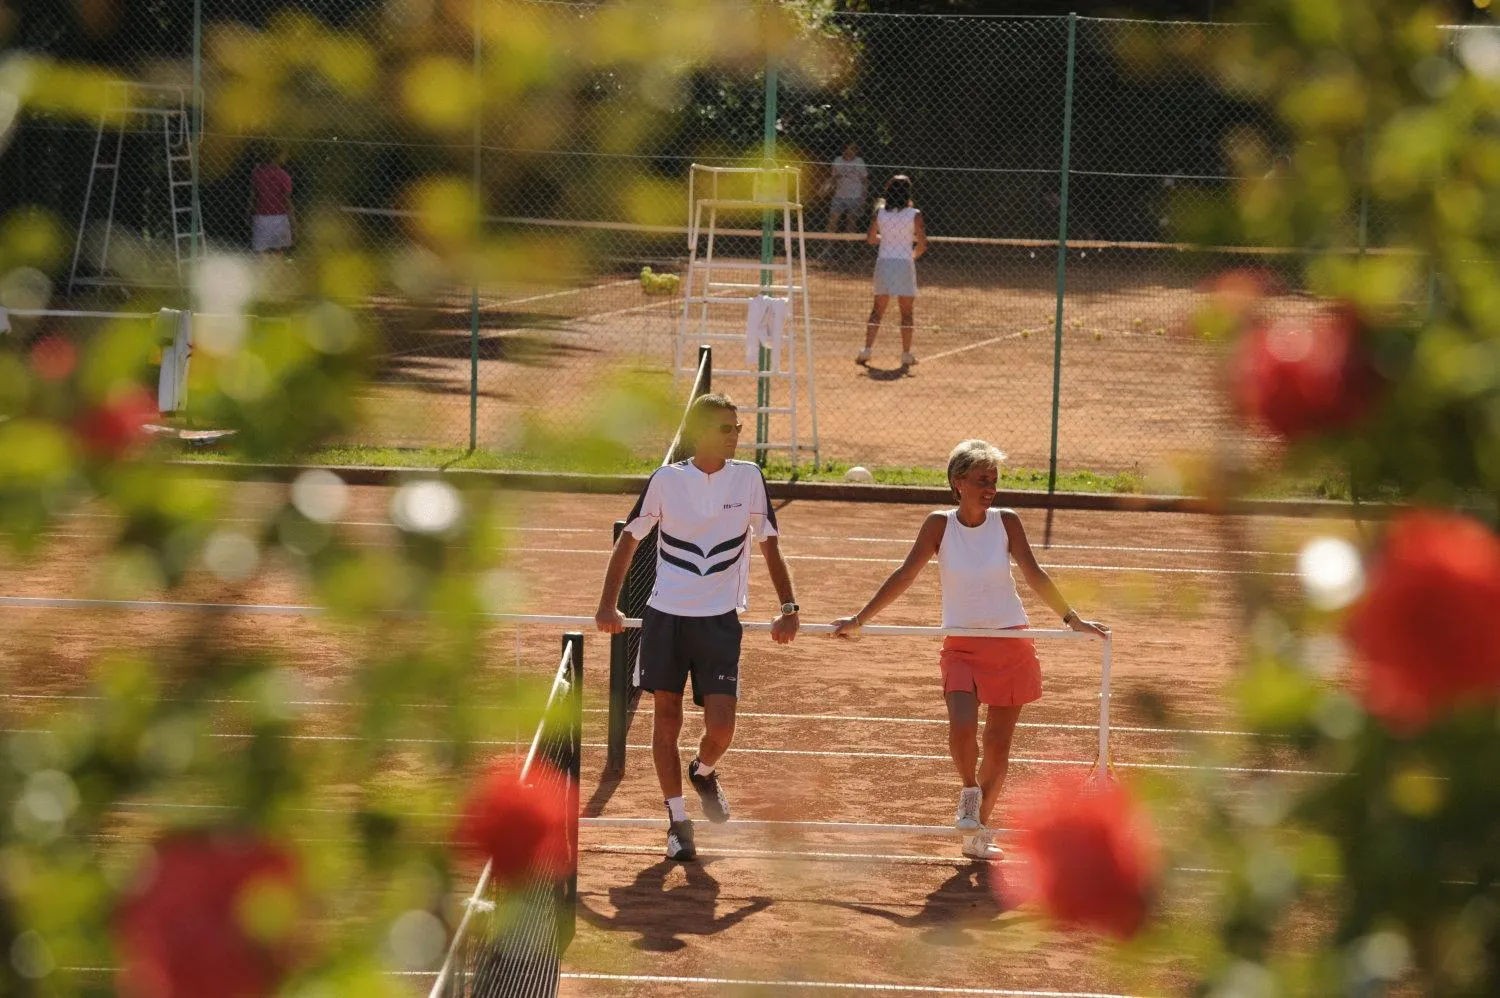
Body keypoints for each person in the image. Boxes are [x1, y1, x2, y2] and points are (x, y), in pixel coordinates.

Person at [830, 439, 1108, 860]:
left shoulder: (1007, 522)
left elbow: (1034, 574)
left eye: (994, 479)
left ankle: (979, 834)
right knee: (962, 729)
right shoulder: (939, 525)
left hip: (1010, 639)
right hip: (960, 644)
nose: (990, 487)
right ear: (958, 482)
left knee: (998, 745)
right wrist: (860, 619)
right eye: (982, 479)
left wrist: (1073, 619)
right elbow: (906, 574)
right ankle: (968, 792)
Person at [596, 393, 801, 862]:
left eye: (737, 428)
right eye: (726, 428)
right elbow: (629, 541)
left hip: (720, 621)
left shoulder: (748, 478)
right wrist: (608, 605)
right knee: (665, 720)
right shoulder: (667, 480)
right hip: (665, 616)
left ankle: (704, 771)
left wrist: (789, 605)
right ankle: (677, 821)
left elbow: (769, 545)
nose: (734, 436)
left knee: (722, 727)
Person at [858, 174, 926, 369]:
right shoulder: (915, 214)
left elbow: (871, 239)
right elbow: (922, 244)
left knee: (877, 311)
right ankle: (906, 354)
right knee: (906, 313)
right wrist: (910, 254)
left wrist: (887, 240)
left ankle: (866, 351)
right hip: (904, 264)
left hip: (885, 264)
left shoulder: (880, 213)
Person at [820, 142, 868, 262]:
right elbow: (833, 178)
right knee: (832, 223)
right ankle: (828, 249)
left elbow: (865, 181)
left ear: (856, 151)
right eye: (847, 148)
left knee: (851, 224)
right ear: (844, 150)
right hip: (839, 196)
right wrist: (825, 187)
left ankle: (849, 251)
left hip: (855, 196)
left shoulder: (859, 162)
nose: (850, 151)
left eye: (853, 149)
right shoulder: (837, 160)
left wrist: (863, 198)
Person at [249, 144, 294, 255]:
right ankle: (276, 270)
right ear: (277, 157)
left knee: (260, 252)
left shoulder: (257, 173)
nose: (286, 158)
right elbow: (287, 200)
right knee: (278, 251)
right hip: (279, 218)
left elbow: (253, 196)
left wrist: (248, 212)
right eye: (284, 155)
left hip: (261, 217)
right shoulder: (284, 176)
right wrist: (293, 220)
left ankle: (261, 271)